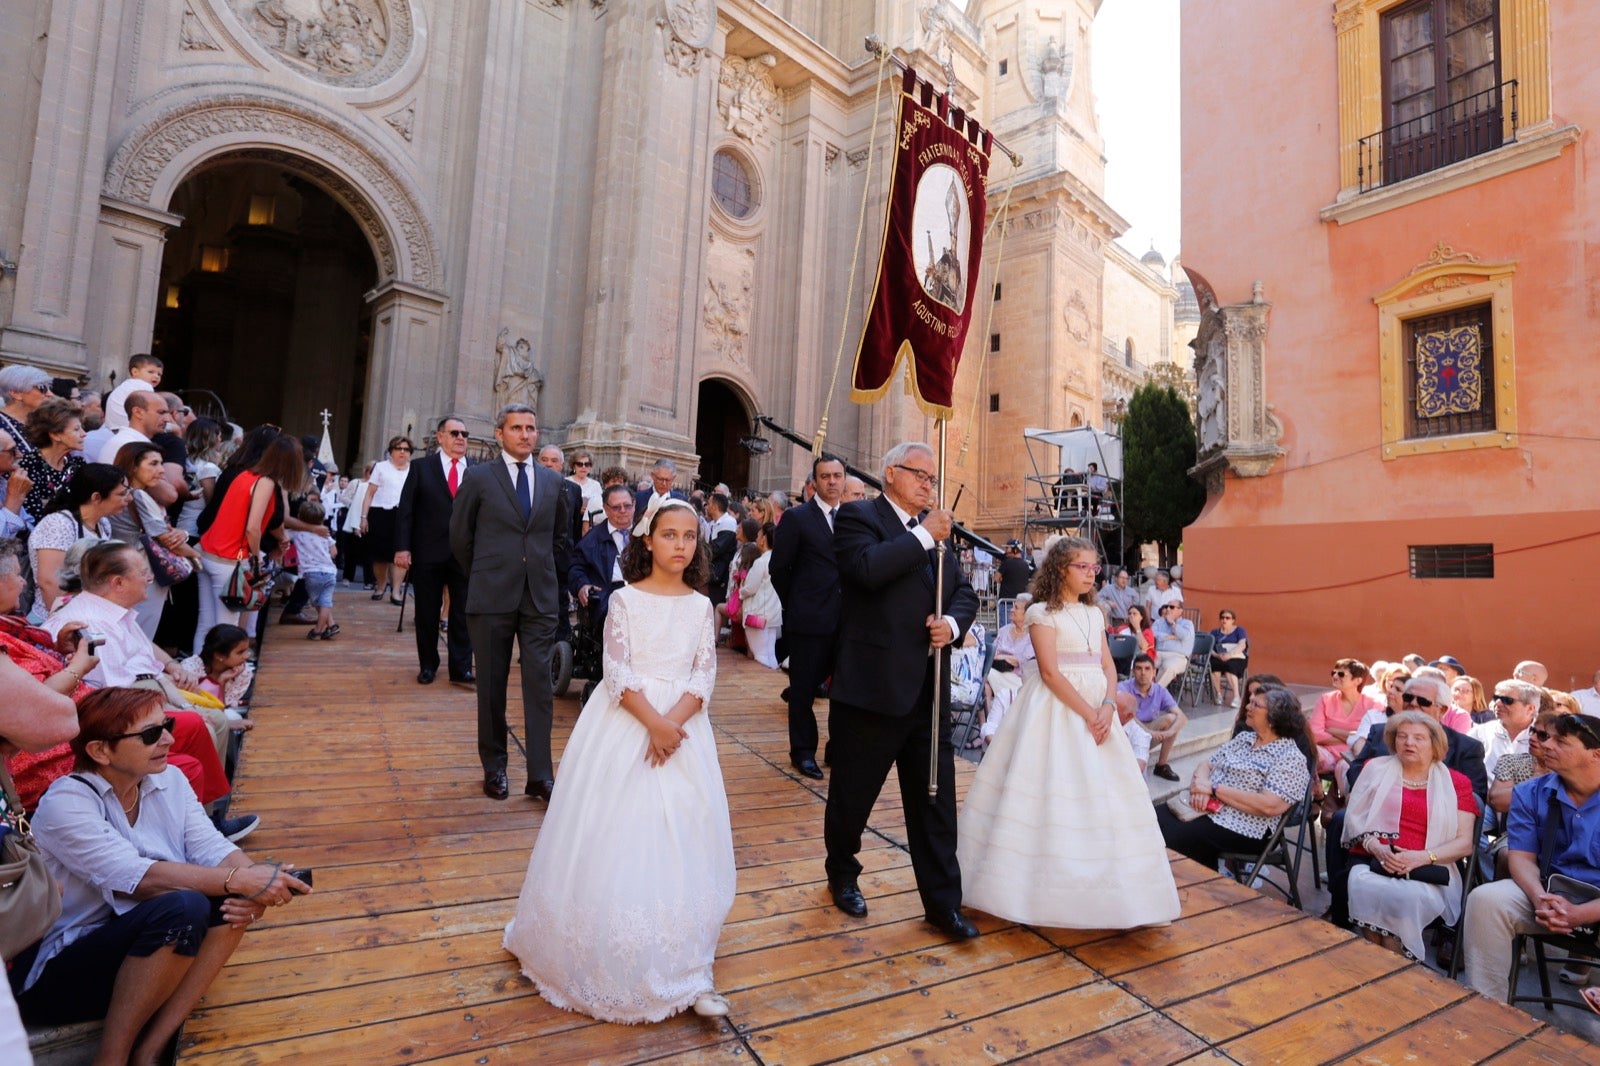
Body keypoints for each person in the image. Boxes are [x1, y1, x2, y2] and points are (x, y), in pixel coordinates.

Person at [503, 498, 734, 1022]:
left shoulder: (702, 607)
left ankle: (682, 960)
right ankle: (601, 950)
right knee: (617, 831)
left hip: (682, 727)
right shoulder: (625, 601)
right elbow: (616, 671)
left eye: (689, 537)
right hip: (628, 723)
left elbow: (704, 675)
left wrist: (672, 724)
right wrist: (652, 723)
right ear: (647, 541)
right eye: (670, 535)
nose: (680, 545)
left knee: (679, 834)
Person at [14, 688, 308, 1063]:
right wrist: (241, 879)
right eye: (151, 734)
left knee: (227, 900)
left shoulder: (169, 780)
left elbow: (210, 847)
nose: (169, 738)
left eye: (166, 725)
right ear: (100, 751)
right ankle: (112, 1058)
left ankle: (152, 1048)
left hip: (138, 953)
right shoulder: (66, 803)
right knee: (183, 906)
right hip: (55, 973)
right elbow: (138, 879)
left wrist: (257, 884)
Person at [958, 537, 1179, 928]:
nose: (1091, 574)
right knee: (1051, 791)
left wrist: (1109, 707)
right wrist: (1087, 713)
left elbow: (1109, 666)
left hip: (1099, 707)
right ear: (1062, 568)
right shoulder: (1041, 613)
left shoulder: (1095, 613)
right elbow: (1048, 672)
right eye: (1083, 567)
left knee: (1104, 797)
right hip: (1057, 708)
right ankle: (1035, 893)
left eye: (1095, 568)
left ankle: (1112, 894)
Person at [823, 442, 979, 939]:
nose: (928, 484)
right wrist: (922, 538)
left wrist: (952, 625)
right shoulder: (858, 517)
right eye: (920, 474)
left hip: (929, 692)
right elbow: (865, 570)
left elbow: (964, 591)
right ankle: (843, 874)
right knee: (853, 795)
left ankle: (942, 903)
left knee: (935, 801)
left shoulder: (937, 534)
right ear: (891, 474)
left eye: (932, 478)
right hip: (872, 687)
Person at [450, 405, 571, 803]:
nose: (525, 434)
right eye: (516, 428)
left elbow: (559, 540)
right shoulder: (479, 477)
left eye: (531, 428)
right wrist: (487, 573)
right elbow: (460, 537)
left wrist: (544, 575)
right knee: (491, 685)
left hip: (539, 597)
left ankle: (540, 775)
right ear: (500, 433)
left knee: (539, 686)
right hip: (492, 596)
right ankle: (495, 767)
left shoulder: (554, 482)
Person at [1463, 712, 1600, 1002]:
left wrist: (1581, 914)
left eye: (1561, 741)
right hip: (1549, 892)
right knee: (1486, 900)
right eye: (1548, 738)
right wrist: (1539, 898)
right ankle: (1487, 1010)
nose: (1547, 745)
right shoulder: (1529, 793)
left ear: (1595, 754)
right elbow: (1522, 858)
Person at [1342, 711, 1478, 960]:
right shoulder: (1375, 769)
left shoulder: (1457, 783)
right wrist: (1376, 846)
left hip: (1430, 866)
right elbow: (1355, 818)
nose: (1409, 743)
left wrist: (1420, 857)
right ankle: (1380, 964)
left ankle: (1391, 967)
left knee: (1404, 897)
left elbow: (1464, 843)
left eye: (1418, 738)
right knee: (1362, 883)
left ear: (1435, 744)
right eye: (1402, 736)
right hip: (1375, 858)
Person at [1156, 686, 1313, 870]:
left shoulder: (1289, 757)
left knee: (1174, 837)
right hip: (1206, 808)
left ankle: (1197, 889)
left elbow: (1270, 805)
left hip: (1246, 827)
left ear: (1274, 718)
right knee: (1152, 818)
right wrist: (1201, 787)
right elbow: (1207, 763)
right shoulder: (1245, 739)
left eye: (1256, 704)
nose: (1247, 706)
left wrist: (1214, 790)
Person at [769, 456, 845, 779]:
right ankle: (803, 752)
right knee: (802, 691)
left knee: (843, 692)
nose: (832, 481)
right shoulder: (797, 518)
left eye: (837, 475)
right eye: (825, 476)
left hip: (846, 622)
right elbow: (778, 569)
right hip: (807, 622)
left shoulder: (854, 518)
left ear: (844, 479)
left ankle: (836, 750)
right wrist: (796, 604)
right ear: (814, 482)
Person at [196, 434, 307, 647]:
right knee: (227, 628)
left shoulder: (246, 474)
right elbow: (253, 528)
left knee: (207, 624)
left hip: (209, 552)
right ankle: (221, 677)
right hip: (229, 559)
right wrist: (255, 560)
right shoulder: (265, 482)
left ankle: (201, 674)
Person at [394, 417, 475, 686]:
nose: (461, 438)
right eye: (454, 433)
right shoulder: (421, 468)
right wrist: (403, 547)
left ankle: (461, 668)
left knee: (463, 613)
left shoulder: (477, 471)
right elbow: (406, 510)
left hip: (465, 554)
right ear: (440, 437)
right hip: (427, 552)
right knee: (427, 612)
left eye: (464, 433)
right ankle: (428, 664)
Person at [108, 441, 197, 638]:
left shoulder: (122, 494)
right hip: (143, 570)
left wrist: (182, 533)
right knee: (141, 634)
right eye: (153, 464)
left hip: (122, 568)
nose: (161, 471)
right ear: (133, 466)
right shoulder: (138, 495)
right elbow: (167, 539)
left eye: (161, 464)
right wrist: (196, 555)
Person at [28, 463, 130, 617]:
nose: (129, 498)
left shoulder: (103, 524)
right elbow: (49, 582)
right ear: (96, 497)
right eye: (122, 494)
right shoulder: (58, 524)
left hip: (86, 615)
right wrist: (64, 623)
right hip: (52, 620)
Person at [567, 484, 635, 635]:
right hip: (608, 596)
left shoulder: (646, 535)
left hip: (642, 593)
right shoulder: (592, 539)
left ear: (634, 505)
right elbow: (576, 568)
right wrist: (582, 585)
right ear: (606, 508)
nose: (623, 511)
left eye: (627, 506)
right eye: (617, 507)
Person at [359, 436, 414, 602]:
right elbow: (369, 494)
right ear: (391, 451)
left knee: (401, 554)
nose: (402, 452)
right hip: (380, 514)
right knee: (380, 555)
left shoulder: (414, 469)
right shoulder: (381, 468)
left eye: (405, 449)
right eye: (398, 449)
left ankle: (396, 591)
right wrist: (363, 517)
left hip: (404, 516)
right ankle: (381, 585)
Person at [1117, 654, 1188, 780]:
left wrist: (1169, 733)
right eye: (1138, 668)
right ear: (1133, 672)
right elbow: (1128, 717)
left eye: (1147, 668)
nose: (1143, 673)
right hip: (1127, 734)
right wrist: (1149, 731)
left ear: (1154, 672)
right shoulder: (1123, 687)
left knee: (1172, 719)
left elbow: (1182, 716)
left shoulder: (1160, 691)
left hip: (1149, 731)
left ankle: (1161, 765)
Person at [1310, 658, 1383, 781]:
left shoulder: (1373, 704)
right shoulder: (1326, 699)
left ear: (1357, 681)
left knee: (1350, 771)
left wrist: (1332, 730)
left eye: (1341, 674)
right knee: (1302, 753)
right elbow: (1315, 734)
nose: (1335, 676)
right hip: (1326, 754)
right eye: (1334, 673)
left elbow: (1370, 739)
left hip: (1355, 756)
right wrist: (1352, 736)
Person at [979, 592, 1036, 745]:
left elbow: (1019, 661)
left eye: (1016, 608)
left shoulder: (1033, 635)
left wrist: (1002, 657)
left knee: (984, 677)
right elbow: (993, 653)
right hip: (997, 673)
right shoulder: (1004, 630)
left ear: (1026, 613)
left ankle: (987, 731)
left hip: (1017, 679)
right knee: (985, 683)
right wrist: (1005, 658)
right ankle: (989, 728)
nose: (1011, 609)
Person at [18, 398, 86, 522]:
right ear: (55, 435)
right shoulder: (30, 466)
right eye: (76, 429)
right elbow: (32, 516)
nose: (84, 434)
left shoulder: (77, 465)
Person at [289, 499, 339, 639]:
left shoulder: (296, 533)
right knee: (325, 601)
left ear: (300, 517)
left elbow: (283, 536)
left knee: (318, 602)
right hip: (330, 572)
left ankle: (318, 630)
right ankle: (332, 625)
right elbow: (334, 552)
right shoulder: (324, 533)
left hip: (311, 573)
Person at [1471, 679, 1538, 785]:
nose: (1498, 703)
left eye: (1507, 700)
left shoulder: (1545, 738)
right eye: (1496, 698)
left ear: (1530, 709)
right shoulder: (1478, 734)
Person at [179, 624, 255, 712]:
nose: (246, 656)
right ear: (219, 655)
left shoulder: (243, 673)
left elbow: (220, 711)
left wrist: (221, 682)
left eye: (246, 650)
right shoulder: (189, 669)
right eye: (240, 652)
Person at [738, 521, 781, 669]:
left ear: (763, 539)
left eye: (758, 535)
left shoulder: (761, 562)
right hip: (773, 614)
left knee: (761, 655)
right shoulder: (779, 560)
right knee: (770, 653)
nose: (756, 538)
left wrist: (741, 591)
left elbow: (750, 588)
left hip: (758, 614)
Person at [0, 363, 55, 455]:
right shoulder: (2, 423)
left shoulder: (43, 423)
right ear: (16, 393)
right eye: (42, 388)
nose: (50, 394)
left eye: (49, 388)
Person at [100, 354, 164, 432]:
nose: (156, 376)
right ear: (135, 372)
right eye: (151, 372)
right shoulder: (144, 386)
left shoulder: (125, 385)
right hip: (128, 428)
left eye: (159, 374)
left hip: (113, 429)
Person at [1209, 609, 1249, 707]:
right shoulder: (1215, 632)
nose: (1224, 620)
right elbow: (1210, 648)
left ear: (1233, 620)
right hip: (1219, 656)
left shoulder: (1240, 630)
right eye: (1222, 618)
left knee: (1229, 667)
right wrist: (1217, 655)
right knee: (1214, 666)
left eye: (1227, 618)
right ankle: (1218, 694)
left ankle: (1236, 697)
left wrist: (1230, 655)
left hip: (1236, 656)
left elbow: (1242, 645)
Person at [1151, 600, 1195, 688]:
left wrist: (1173, 624)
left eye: (1171, 607)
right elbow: (1153, 633)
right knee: (1142, 662)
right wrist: (1171, 636)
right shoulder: (1159, 622)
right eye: (1167, 606)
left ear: (1180, 610)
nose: (1168, 609)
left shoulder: (1187, 623)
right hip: (1158, 653)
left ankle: (1154, 692)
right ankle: (1144, 691)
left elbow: (1185, 636)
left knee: (1169, 666)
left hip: (1178, 656)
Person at [565, 449, 603, 529]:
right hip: (570, 523)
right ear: (573, 466)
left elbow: (600, 506)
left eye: (587, 464)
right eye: (579, 464)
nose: (583, 467)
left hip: (589, 524)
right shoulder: (566, 482)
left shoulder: (596, 485)